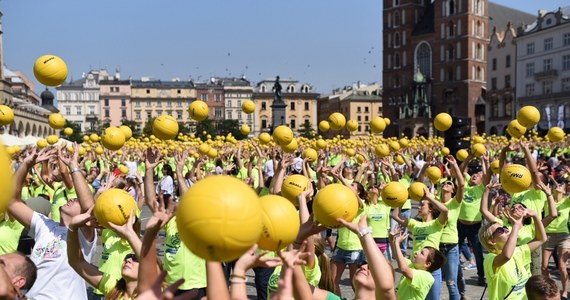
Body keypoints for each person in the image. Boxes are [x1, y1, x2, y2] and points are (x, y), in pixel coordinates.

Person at [8, 145, 98, 300]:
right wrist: (26, 165)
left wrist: (74, 166)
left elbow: (88, 207)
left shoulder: (82, 236)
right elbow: (11, 201)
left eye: (76, 199)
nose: (71, 198)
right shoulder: (46, 226)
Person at [479, 207, 547, 300]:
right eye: (500, 230)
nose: (506, 230)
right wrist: (516, 226)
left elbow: (541, 239)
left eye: (505, 227)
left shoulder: (517, 252)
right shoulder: (490, 259)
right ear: (492, 241)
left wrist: (535, 216)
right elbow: (506, 256)